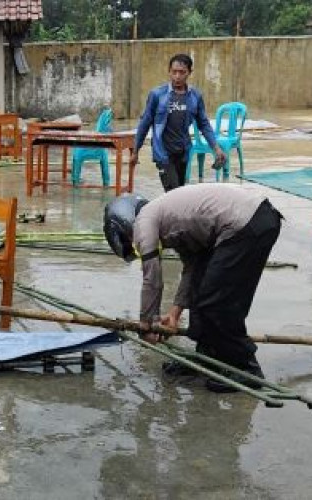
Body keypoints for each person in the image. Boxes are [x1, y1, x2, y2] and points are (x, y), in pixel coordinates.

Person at [103, 184, 282, 392]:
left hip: (248, 223)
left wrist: (147, 324)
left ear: (125, 225)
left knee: (217, 302)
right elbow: (192, 269)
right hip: (252, 220)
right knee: (201, 290)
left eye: (131, 245)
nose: (137, 247)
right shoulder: (167, 220)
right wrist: (174, 313)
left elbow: (152, 279)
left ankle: (247, 368)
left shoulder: (144, 222)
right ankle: (206, 357)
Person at [131, 53, 226, 192]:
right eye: (174, 72)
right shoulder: (157, 95)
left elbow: (204, 124)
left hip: (183, 152)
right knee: (173, 193)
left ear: (189, 73)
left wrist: (216, 148)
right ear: (169, 71)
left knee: (180, 193)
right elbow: (145, 123)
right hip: (163, 153)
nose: (177, 76)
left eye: (182, 72)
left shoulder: (195, 96)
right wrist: (135, 151)